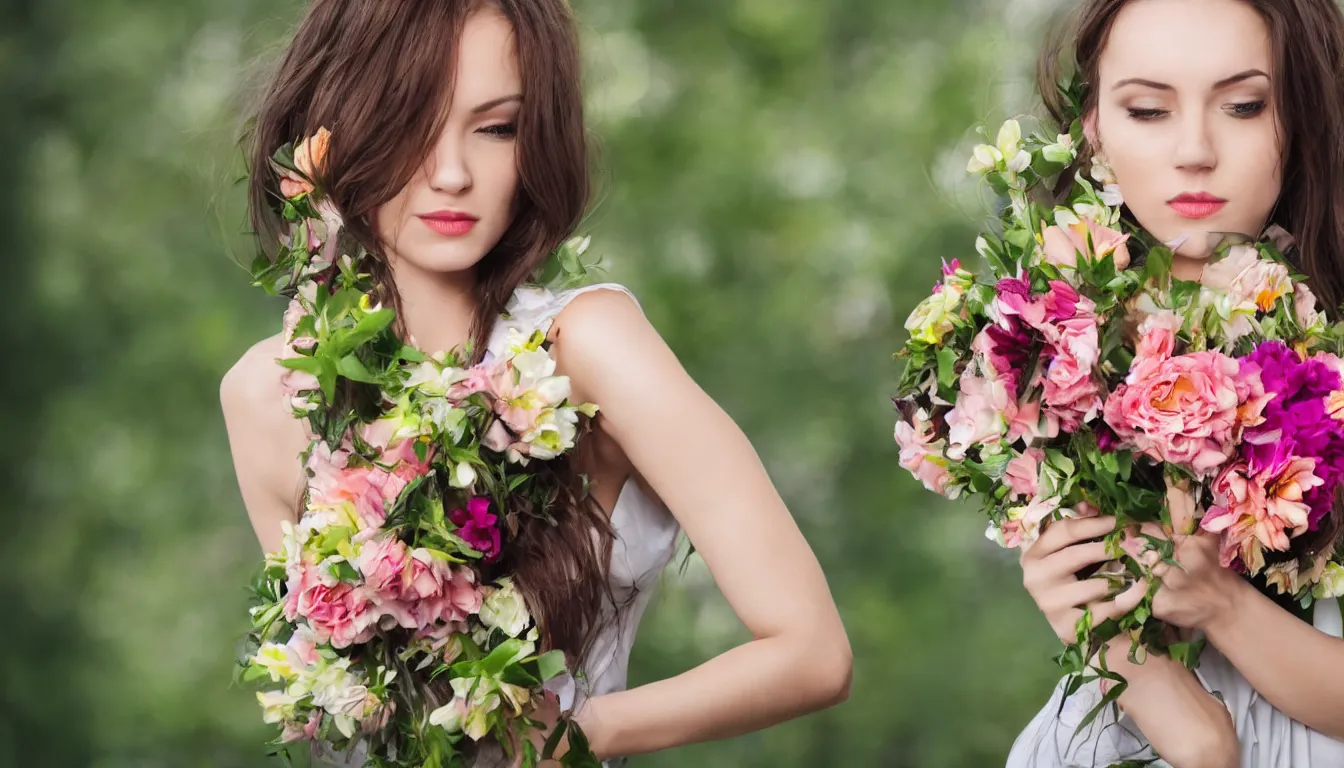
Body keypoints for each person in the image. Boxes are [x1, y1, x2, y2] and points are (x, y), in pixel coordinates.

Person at [219, 1, 851, 765]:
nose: (452, 174)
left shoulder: (586, 347)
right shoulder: (267, 395)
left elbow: (813, 652)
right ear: (328, 138)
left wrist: (580, 732)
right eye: (412, 123)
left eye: (496, 128)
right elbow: (345, 706)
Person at [1008, 1, 1344, 767]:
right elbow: (1127, 658)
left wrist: (1220, 604)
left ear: (1303, 117)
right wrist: (1136, 670)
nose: (1195, 151)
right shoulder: (1047, 351)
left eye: (1244, 105)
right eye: (1149, 109)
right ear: (1094, 127)